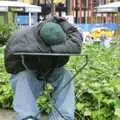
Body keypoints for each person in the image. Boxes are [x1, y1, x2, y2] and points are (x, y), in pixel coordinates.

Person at [4, 16, 83, 120]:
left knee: (66, 76)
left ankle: (63, 117)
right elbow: (10, 66)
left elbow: (76, 44)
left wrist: (62, 22)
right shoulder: (21, 38)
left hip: (50, 67)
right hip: (25, 68)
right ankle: (27, 117)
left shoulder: (58, 27)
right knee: (23, 78)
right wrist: (53, 50)